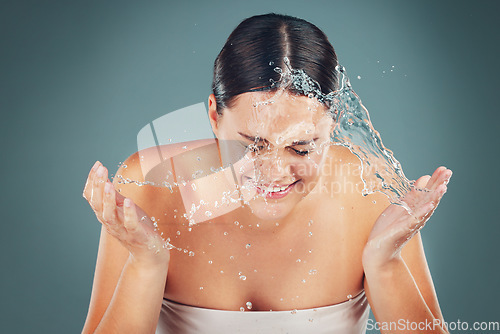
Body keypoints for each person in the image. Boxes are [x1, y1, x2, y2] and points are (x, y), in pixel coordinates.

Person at [81, 13, 452, 334]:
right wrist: (145, 263)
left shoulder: (369, 188)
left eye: (301, 147)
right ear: (214, 115)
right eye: (252, 145)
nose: (273, 172)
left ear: (335, 121)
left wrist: (384, 264)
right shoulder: (149, 185)